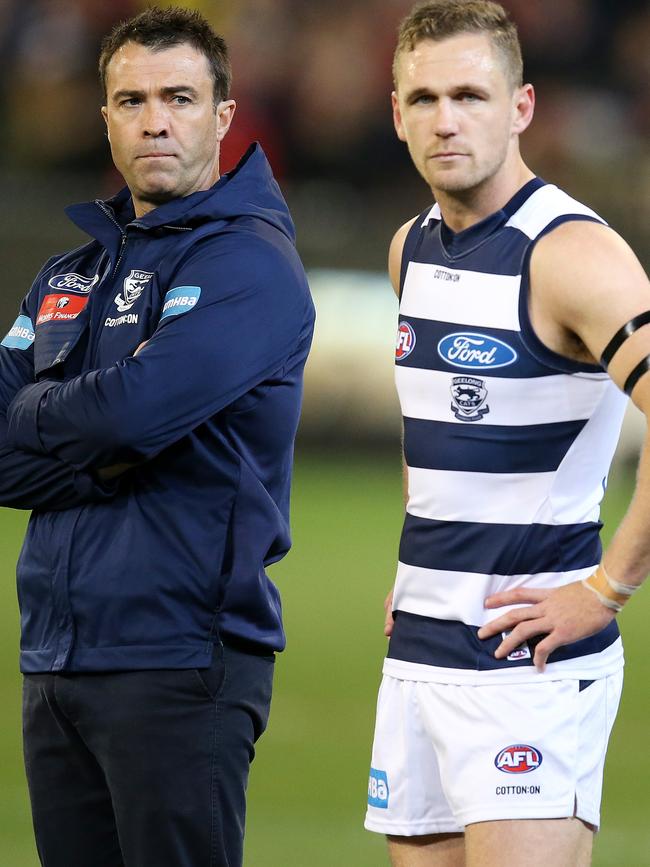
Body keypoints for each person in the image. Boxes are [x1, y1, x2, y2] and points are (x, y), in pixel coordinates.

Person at [0, 6, 314, 867]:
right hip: (57, 659)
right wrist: (109, 454)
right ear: (104, 118)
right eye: (131, 100)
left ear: (222, 115)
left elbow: (129, 412)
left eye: (179, 96)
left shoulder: (247, 263)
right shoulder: (69, 272)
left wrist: (48, 417)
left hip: (181, 659)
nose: (155, 120)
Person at [364, 2, 650, 865]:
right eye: (423, 99)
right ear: (396, 113)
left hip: (528, 670)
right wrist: (418, 574)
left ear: (520, 106)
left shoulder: (571, 255)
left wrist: (604, 591)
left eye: (470, 95)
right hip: (419, 653)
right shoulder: (408, 248)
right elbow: (440, 434)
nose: (445, 120)